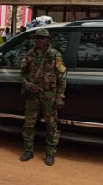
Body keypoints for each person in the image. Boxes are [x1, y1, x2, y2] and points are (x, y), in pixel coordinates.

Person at [19, 28, 67, 166]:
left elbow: (62, 76)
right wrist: (26, 83)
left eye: (43, 38)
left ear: (48, 40)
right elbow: (22, 73)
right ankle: (28, 150)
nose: (40, 40)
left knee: (51, 125)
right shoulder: (29, 54)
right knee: (29, 124)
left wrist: (59, 96)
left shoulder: (55, 55)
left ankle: (50, 153)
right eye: (38, 38)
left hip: (49, 95)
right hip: (32, 95)